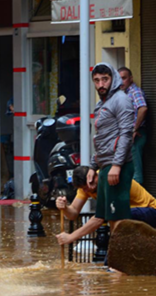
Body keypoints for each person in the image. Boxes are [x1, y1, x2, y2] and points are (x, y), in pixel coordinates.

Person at [56, 63, 134, 247]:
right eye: (97, 80)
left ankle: (120, 266)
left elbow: (126, 134)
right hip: (106, 166)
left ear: (113, 79)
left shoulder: (121, 100)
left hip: (117, 166)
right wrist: (93, 166)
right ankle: (117, 265)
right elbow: (101, 139)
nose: (101, 85)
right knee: (111, 217)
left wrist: (117, 165)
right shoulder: (102, 104)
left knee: (118, 219)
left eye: (105, 79)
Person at [57, 165, 156, 229]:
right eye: (84, 189)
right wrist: (65, 207)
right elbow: (73, 213)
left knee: (115, 217)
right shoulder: (85, 187)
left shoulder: (108, 180)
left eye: (90, 185)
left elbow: (100, 218)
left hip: (150, 211)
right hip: (126, 213)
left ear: (95, 176)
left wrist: (71, 237)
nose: (87, 190)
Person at [118, 67, 147, 184]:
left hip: (136, 134)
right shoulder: (122, 93)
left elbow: (143, 108)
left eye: (124, 78)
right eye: (119, 79)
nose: (121, 82)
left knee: (136, 170)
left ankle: (138, 200)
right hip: (126, 134)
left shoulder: (135, 92)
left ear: (130, 79)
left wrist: (135, 128)